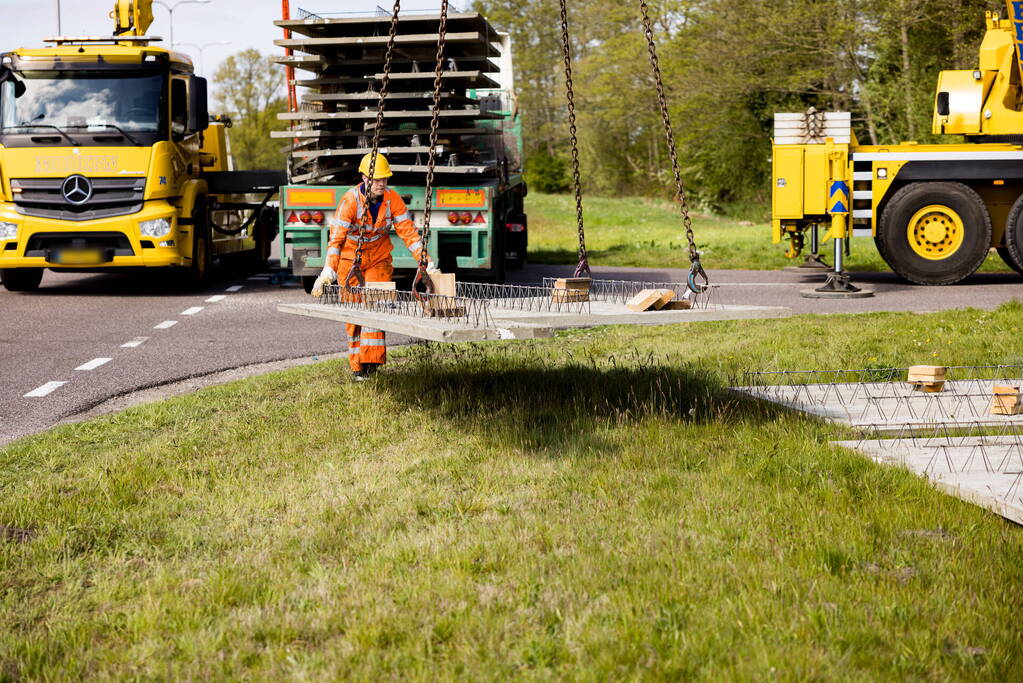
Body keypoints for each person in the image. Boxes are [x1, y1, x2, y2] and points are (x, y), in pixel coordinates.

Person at [311, 152, 438, 379]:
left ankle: (372, 364)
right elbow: (336, 239)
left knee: (378, 307)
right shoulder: (349, 201)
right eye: (377, 179)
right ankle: (358, 366)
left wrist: (426, 263)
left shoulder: (392, 199)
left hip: (378, 258)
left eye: (385, 179)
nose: (382, 183)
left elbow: (409, 234)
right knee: (354, 313)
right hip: (351, 261)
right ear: (365, 178)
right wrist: (328, 272)